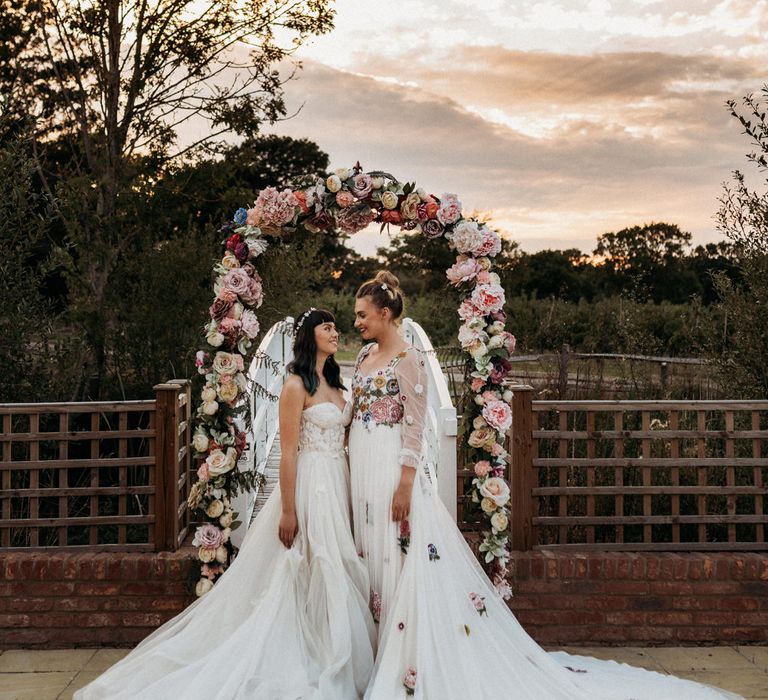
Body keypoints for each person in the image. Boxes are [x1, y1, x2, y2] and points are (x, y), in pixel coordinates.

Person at [346, 270, 741, 700]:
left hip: (392, 468)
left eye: (363, 315)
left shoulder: (410, 359)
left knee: (397, 552)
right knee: (370, 552)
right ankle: (375, 650)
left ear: (386, 314)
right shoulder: (365, 355)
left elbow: (415, 425)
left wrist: (405, 481)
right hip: (363, 466)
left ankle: (406, 660)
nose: (357, 323)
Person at [75, 308, 375, 700]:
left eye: (337, 326)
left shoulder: (339, 383)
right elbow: (287, 454)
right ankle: (314, 651)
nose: (336, 333)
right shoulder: (294, 387)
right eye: (327, 327)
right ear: (308, 336)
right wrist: (287, 509)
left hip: (340, 481)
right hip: (310, 485)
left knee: (339, 563)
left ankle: (338, 647)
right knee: (314, 563)